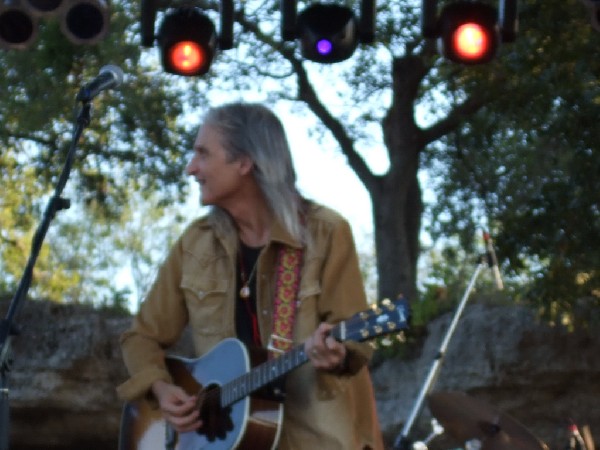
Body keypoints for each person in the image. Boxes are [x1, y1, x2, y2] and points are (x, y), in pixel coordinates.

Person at [117, 102, 384, 450]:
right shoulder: (195, 244)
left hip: (317, 439)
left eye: (203, 154)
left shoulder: (325, 233)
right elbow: (141, 337)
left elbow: (353, 336)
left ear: (244, 162)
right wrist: (161, 387)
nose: (191, 168)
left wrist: (338, 355)